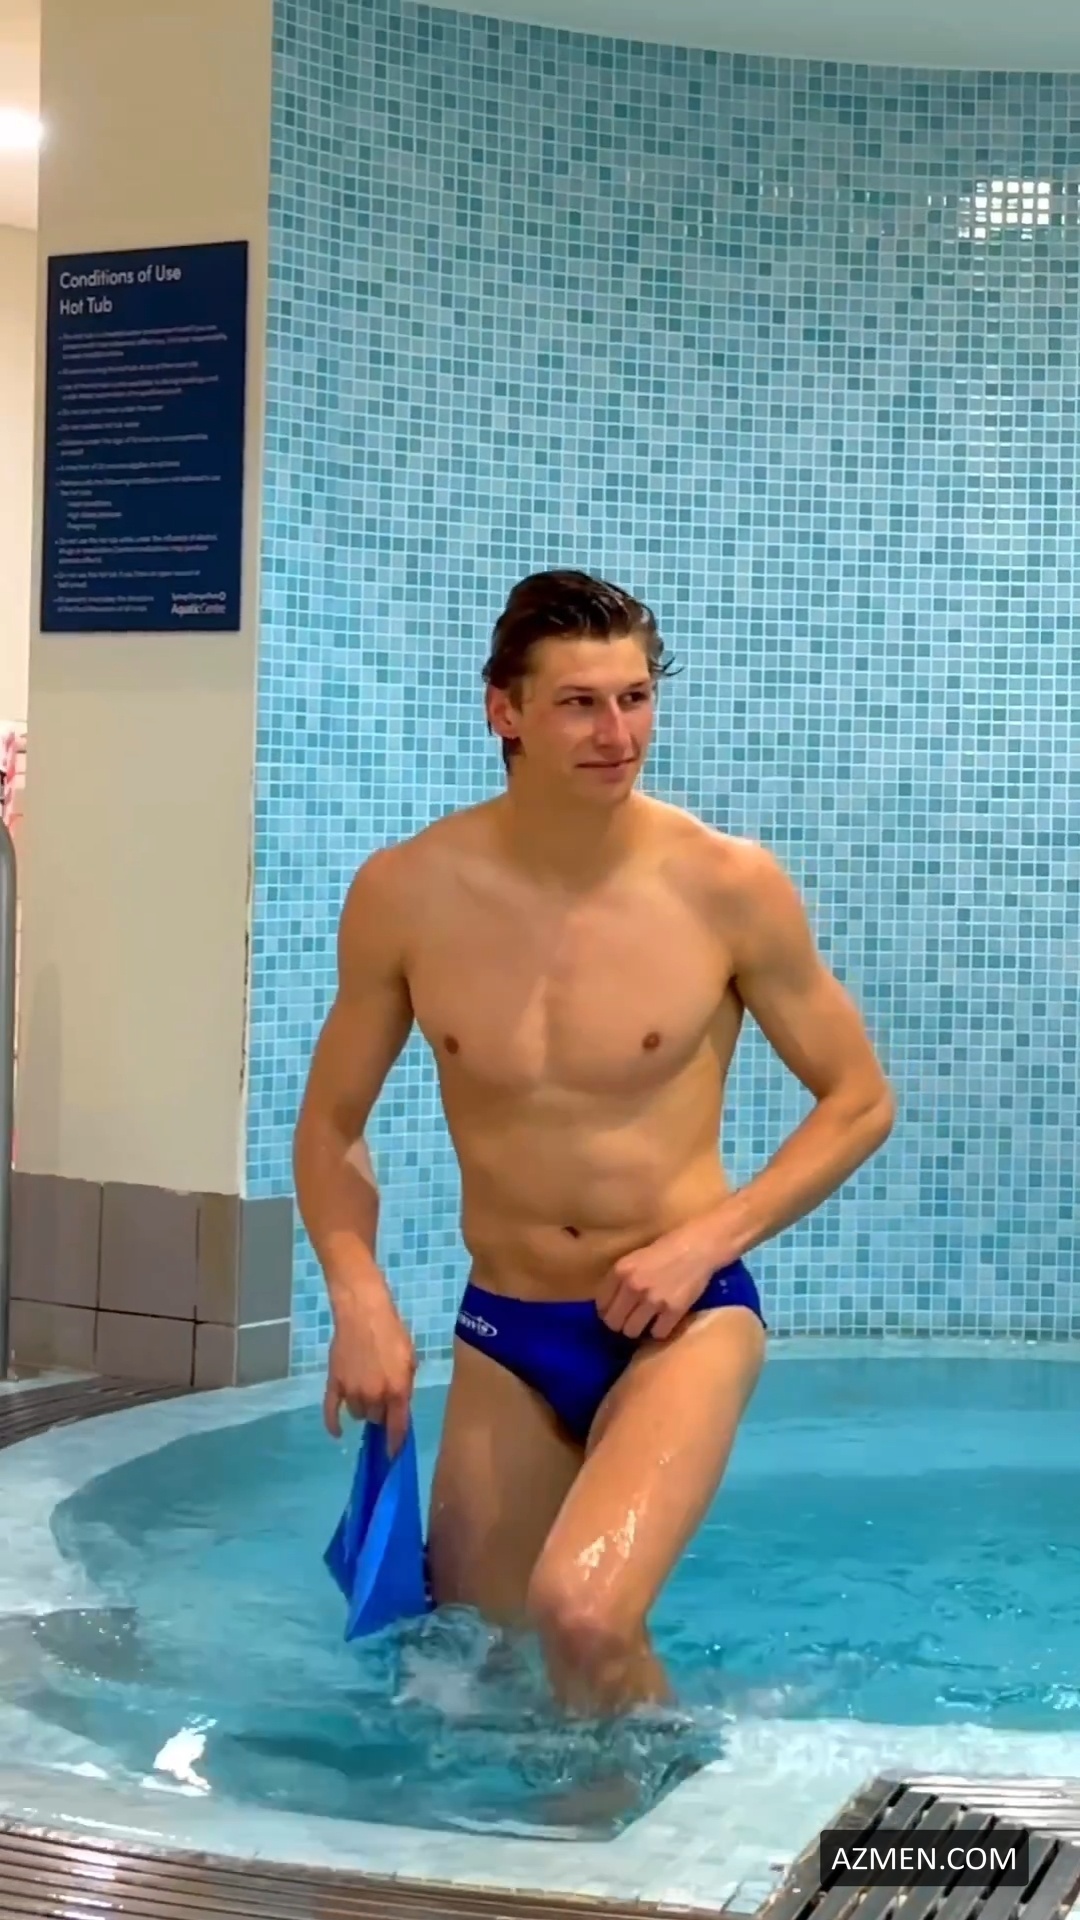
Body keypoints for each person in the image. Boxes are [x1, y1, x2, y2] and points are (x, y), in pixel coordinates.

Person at [293, 569, 895, 1718]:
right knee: (479, 1669)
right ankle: (616, 1808)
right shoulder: (408, 894)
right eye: (579, 703)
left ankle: (707, 1824)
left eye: (635, 698)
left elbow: (859, 1099)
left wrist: (705, 1241)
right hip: (507, 1330)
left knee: (582, 1613)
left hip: (682, 1315)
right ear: (505, 711)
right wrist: (358, 1294)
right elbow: (330, 1125)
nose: (618, 735)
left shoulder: (725, 885)